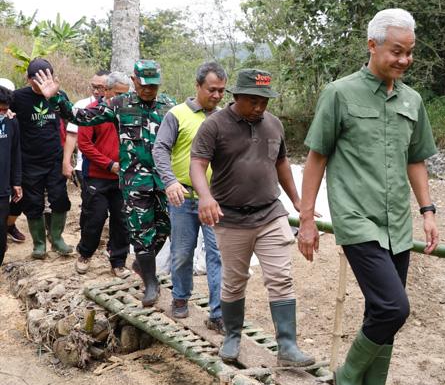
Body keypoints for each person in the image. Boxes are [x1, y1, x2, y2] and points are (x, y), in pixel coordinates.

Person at [297, 8, 439, 385]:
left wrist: (427, 212)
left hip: (398, 223)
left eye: (410, 53)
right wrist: (306, 218)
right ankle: (347, 374)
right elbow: (316, 156)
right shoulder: (339, 94)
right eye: (397, 51)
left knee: (383, 311)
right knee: (394, 306)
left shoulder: (411, 100)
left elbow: (416, 160)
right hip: (356, 219)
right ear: (372, 45)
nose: (403, 60)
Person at [190, 68, 314, 367]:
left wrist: (296, 200)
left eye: (264, 102)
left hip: (270, 213)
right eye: (253, 101)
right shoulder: (214, 125)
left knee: (281, 278)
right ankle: (233, 335)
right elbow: (197, 163)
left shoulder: (273, 124)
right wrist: (205, 196)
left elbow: (282, 162)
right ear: (237, 97)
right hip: (230, 218)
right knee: (234, 281)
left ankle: (287, 346)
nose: (259, 107)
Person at [35, 60, 176, 306]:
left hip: (162, 180)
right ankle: (150, 284)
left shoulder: (168, 106)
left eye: (153, 86)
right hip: (134, 181)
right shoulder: (119, 105)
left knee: (164, 228)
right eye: (143, 85)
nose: (148, 91)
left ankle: (142, 265)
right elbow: (80, 117)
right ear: (134, 81)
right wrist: (56, 97)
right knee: (141, 232)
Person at [152, 62, 225, 331]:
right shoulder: (177, 114)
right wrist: (170, 181)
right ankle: (180, 297)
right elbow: (160, 149)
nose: (217, 96)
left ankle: (218, 313)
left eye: (221, 91)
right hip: (183, 197)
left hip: (216, 199)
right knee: (182, 252)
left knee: (217, 255)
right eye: (211, 90)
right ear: (197, 86)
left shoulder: (225, 117)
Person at [12, 58, 73, 259]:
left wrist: (55, 96)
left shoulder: (58, 95)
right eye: (36, 80)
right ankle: (39, 244)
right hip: (29, 160)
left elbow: (71, 116)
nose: (41, 85)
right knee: (33, 202)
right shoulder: (18, 97)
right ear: (28, 79)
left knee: (60, 199)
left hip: (54, 158)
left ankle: (56, 238)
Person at [74, 71, 131, 277]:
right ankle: (85, 253)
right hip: (97, 176)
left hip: (123, 177)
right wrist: (109, 164)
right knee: (94, 217)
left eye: (126, 94)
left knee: (122, 220)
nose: (122, 98)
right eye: (118, 93)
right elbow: (85, 144)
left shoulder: (129, 113)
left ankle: (118, 260)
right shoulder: (91, 112)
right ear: (106, 91)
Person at [63, 69, 109, 191]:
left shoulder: (119, 106)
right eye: (93, 87)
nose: (95, 91)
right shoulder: (81, 105)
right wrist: (66, 162)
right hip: (86, 166)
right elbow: (72, 135)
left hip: (114, 168)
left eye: (100, 87)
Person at [0, 86, 23, 265]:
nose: (2, 112)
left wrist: (16, 182)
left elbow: (16, 153)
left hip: (2, 188)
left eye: (5, 109)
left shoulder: (11, 122)